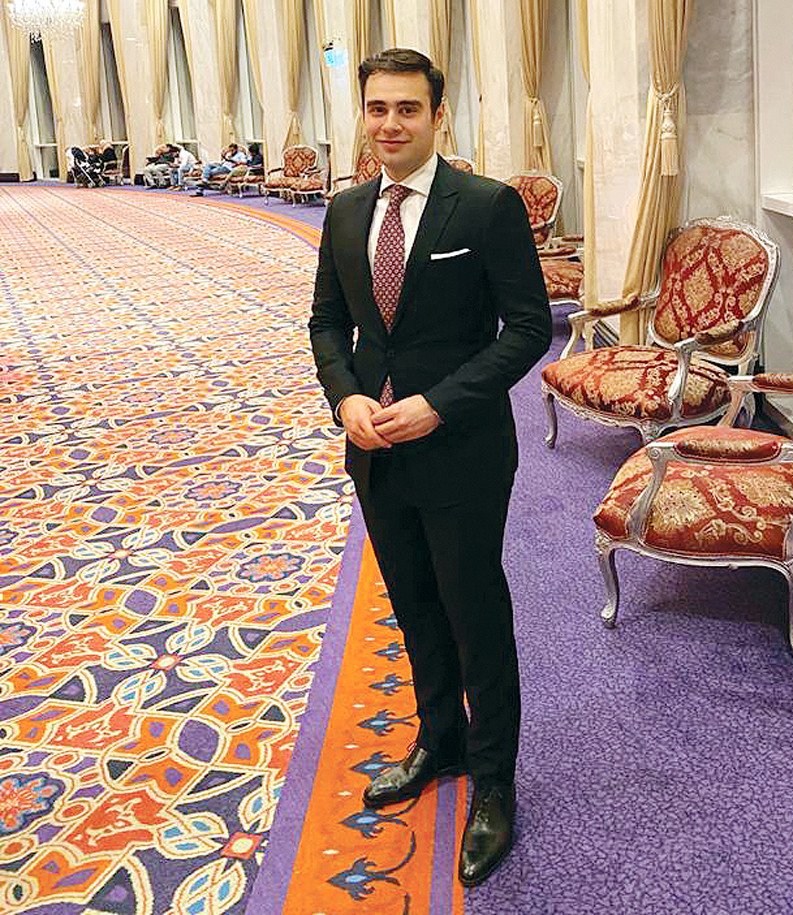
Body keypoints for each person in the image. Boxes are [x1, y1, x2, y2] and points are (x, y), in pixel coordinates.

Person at [309, 48, 550, 886]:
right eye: (377, 108)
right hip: (375, 454)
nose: (390, 124)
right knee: (414, 605)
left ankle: (494, 782)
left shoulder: (484, 207)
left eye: (407, 109)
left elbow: (527, 328)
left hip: (461, 450)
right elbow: (326, 323)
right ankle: (439, 739)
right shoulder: (346, 211)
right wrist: (345, 396)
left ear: (438, 116)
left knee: (474, 612)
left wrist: (439, 403)